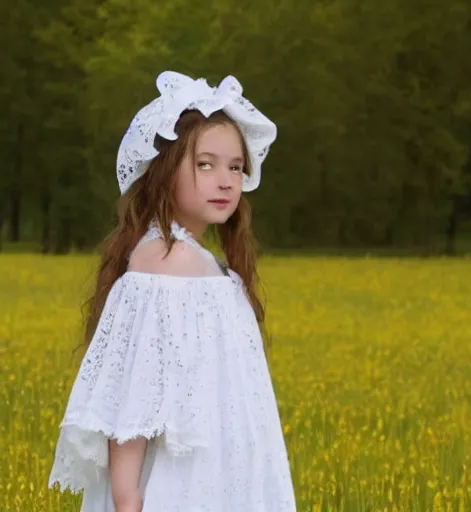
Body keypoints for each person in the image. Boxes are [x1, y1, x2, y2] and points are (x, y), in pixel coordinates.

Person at [47, 71, 297, 511]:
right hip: (185, 483)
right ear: (164, 170)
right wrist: (127, 501)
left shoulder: (191, 260)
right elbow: (135, 400)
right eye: (205, 164)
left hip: (216, 473)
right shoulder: (169, 263)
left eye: (235, 167)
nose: (225, 180)